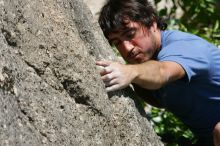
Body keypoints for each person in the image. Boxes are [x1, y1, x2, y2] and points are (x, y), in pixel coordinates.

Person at [96, 0, 220, 145]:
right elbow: (160, 97)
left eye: (130, 34)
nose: (127, 48)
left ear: (152, 23)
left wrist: (130, 72)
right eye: (117, 42)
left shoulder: (183, 47)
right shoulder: (146, 66)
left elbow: (162, 71)